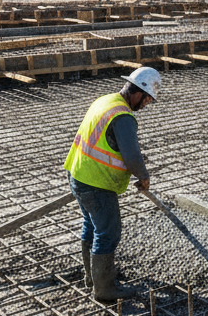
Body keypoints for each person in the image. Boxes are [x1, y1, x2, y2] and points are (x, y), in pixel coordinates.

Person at [63, 67, 160, 301]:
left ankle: (94, 277)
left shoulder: (106, 101)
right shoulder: (123, 117)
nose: (146, 105)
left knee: (92, 225)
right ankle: (105, 289)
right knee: (108, 232)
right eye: (147, 99)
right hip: (96, 183)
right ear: (138, 92)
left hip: (78, 173)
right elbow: (132, 155)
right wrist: (143, 176)